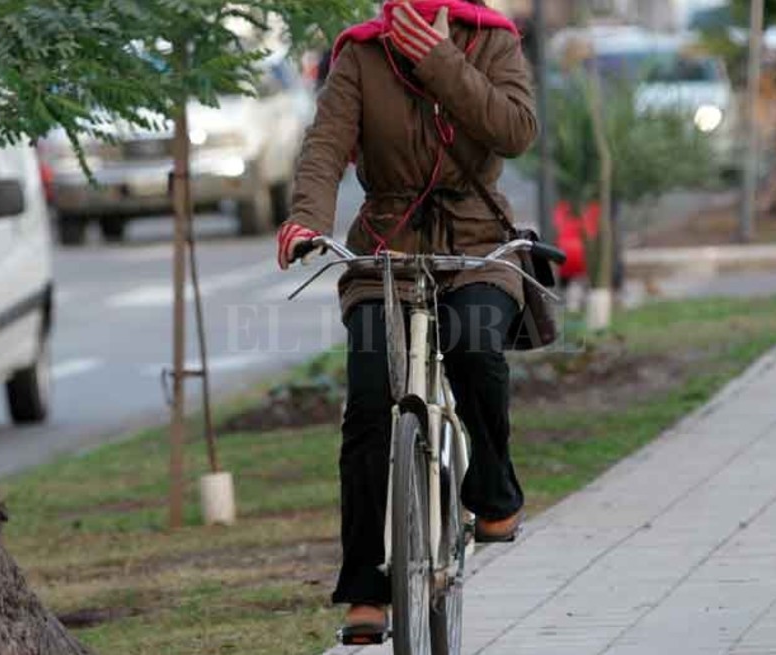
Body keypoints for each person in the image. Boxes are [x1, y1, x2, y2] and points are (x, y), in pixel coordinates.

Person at [275, 0, 537, 639]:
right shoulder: (361, 54)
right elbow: (327, 145)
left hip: (477, 243)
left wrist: (441, 61)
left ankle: (495, 492)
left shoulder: (493, 42)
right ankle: (368, 588)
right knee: (368, 402)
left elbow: (516, 131)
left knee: (475, 349)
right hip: (385, 247)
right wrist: (308, 216)